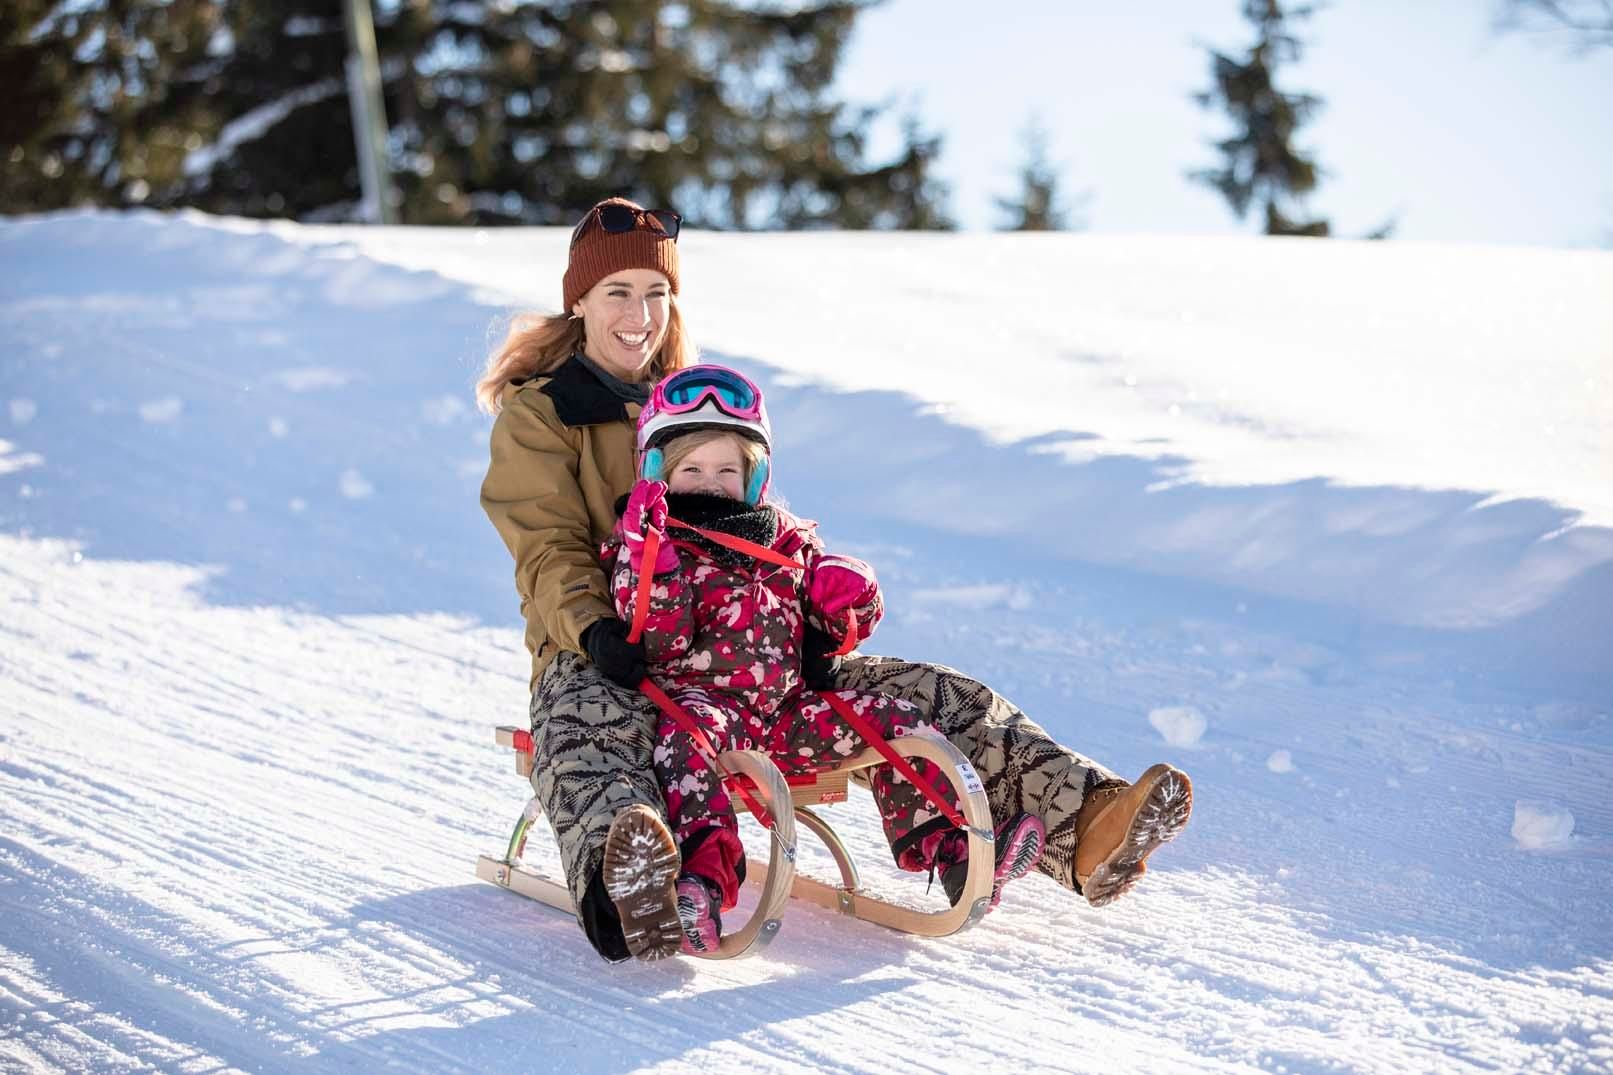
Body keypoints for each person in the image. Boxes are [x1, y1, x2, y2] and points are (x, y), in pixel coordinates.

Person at [477, 196, 1193, 964]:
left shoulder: (697, 396)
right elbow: (548, 548)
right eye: (616, 292)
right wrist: (594, 629)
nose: (638, 313)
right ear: (577, 300)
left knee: (926, 692)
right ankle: (632, 889)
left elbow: (759, 522)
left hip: (747, 663)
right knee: (584, 725)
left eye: (655, 293)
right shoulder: (543, 415)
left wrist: (812, 618)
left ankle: (1086, 824)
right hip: (608, 648)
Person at [604, 364, 1046, 954]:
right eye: (692, 468)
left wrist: (847, 602)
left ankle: (956, 850)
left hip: (788, 711)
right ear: (658, 473)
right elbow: (660, 642)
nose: (710, 481)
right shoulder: (652, 543)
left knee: (886, 718)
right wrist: (652, 560)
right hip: (703, 710)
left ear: (754, 475)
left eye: (726, 469)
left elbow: (827, 632)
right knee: (684, 747)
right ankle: (701, 884)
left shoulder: (785, 541)